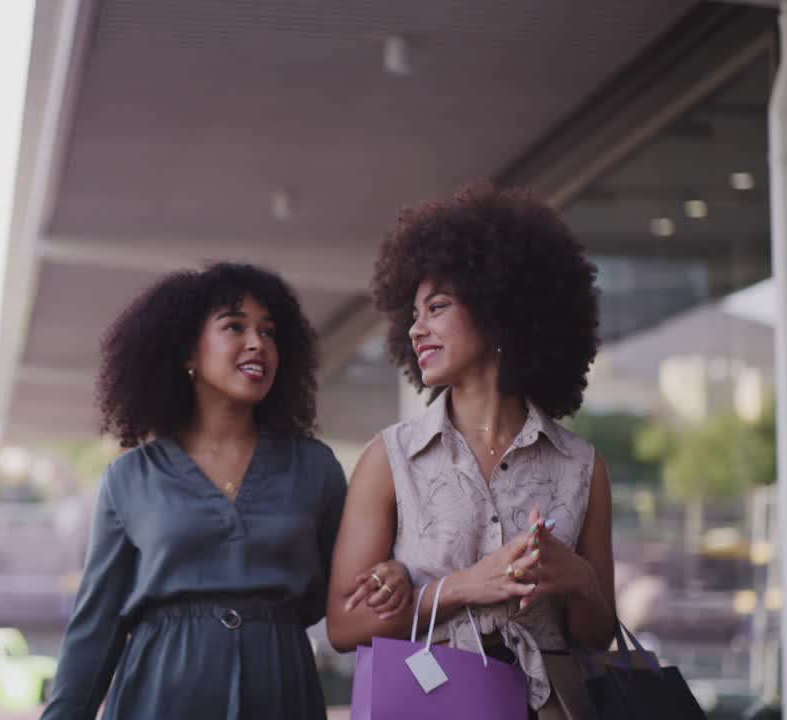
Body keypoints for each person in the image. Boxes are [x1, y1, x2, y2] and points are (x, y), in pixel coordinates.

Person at [41, 262, 410, 720]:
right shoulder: (130, 477)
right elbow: (96, 627)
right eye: (234, 326)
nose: (258, 343)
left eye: (269, 332)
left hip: (281, 691)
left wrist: (391, 574)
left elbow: (348, 591)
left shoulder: (314, 468)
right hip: (160, 695)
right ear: (187, 353)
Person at [326, 183, 616, 718]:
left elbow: (596, 636)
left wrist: (580, 582)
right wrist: (460, 588)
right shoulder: (390, 460)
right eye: (413, 313)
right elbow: (344, 628)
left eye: (436, 308)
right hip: (432, 704)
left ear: (497, 310)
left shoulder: (582, 466)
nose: (417, 329)